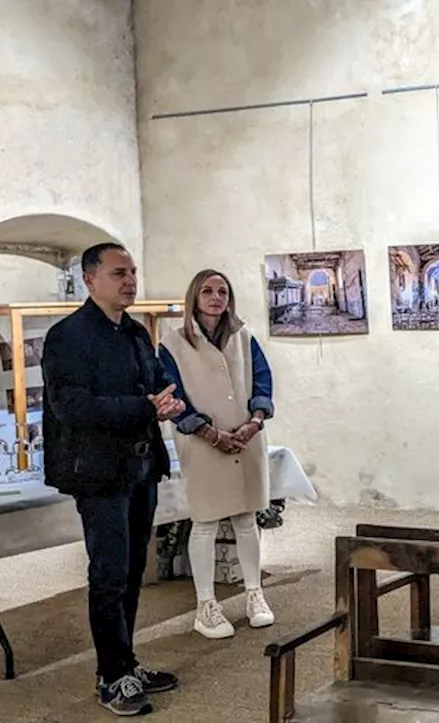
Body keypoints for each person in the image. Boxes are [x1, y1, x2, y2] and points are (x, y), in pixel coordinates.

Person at [41, 242, 184, 716]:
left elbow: (157, 380)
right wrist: (145, 406)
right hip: (98, 472)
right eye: (119, 273)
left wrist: (169, 401)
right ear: (90, 279)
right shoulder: (68, 337)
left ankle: (126, 661)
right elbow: (73, 408)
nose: (130, 281)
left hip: (140, 467)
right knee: (108, 574)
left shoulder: (135, 334)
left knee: (131, 573)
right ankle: (110, 676)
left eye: (133, 272)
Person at [158, 270, 276, 639]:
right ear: (194, 296)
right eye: (207, 291)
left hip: (246, 438)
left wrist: (253, 422)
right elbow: (172, 395)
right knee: (206, 521)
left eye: (222, 291)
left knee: (245, 517)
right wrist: (208, 431)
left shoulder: (244, 337)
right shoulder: (173, 343)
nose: (215, 297)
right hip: (202, 442)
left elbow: (262, 381)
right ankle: (206, 605)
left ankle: (254, 593)